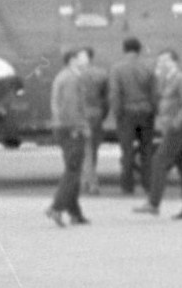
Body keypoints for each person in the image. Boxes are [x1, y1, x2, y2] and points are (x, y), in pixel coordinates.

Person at [134, 48, 182, 219]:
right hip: (174, 128)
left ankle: (153, 203)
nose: (162, 63)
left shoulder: (181, 79)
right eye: (160, 61)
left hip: (178, 128)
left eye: (166, 60)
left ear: (175, 62)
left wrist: (176, 123)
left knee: (159, 161)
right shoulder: (167, 79)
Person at [46, 49, 91, 227]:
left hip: (63, 127)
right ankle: (56, 207)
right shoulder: (72, 79)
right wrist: (80, 127)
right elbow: (71, 106)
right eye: (83, 57)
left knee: (73, 169)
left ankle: (75, 213)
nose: (87, 60)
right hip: (71, 128)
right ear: (73, 60)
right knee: (73, 170)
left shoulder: (64, 76)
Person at [108, 37, 157, 194]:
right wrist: (153, 110)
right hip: (146, 112)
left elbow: (115, 93)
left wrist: (117, 112)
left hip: (126, 113)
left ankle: (127, 186)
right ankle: (148, 184)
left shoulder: (117, 69)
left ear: (124, 49)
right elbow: (154, 92)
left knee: (127, 150)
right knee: (146, 150)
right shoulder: (148, 67)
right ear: (139, 49)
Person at [77, 46, 109, 194]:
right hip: (96, 114)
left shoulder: (74, 74)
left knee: (85, 149)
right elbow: (106, 99)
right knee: (92, 149)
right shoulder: (102, 74)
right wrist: (103, 114)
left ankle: (91, 183)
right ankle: (86, 181)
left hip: (80, 115)